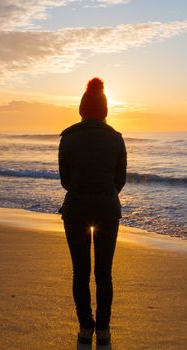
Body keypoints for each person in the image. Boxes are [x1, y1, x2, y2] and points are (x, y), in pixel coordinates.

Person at [58, 77, 127, 346]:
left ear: (82, 108)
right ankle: (105, 331)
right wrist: (104, 193)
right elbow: (119, 181)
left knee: (80, 273)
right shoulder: (116, 139)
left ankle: (86, 328)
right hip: (108, 209)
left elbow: (65, 180)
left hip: (75, 209)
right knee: (104, 273)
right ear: (105, 109)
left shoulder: (68, 137)